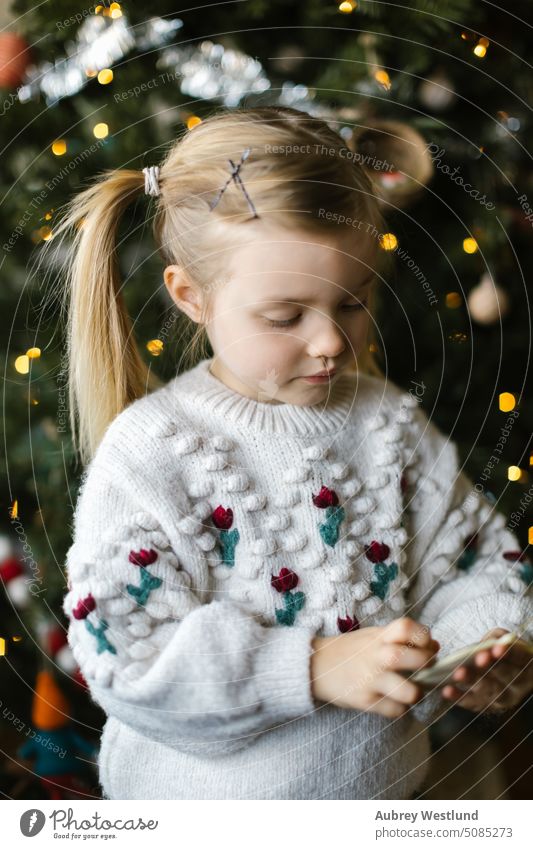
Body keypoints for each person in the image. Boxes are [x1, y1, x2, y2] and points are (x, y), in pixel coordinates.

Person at [46, 106, 532, 799]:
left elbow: (469, 560)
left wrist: (481, 644)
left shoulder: (385, 419)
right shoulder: (152, 452)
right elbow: (123, 652)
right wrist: (310, 666)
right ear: (192, 296)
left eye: (354, 300)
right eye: (285, 316)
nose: (331, 340)